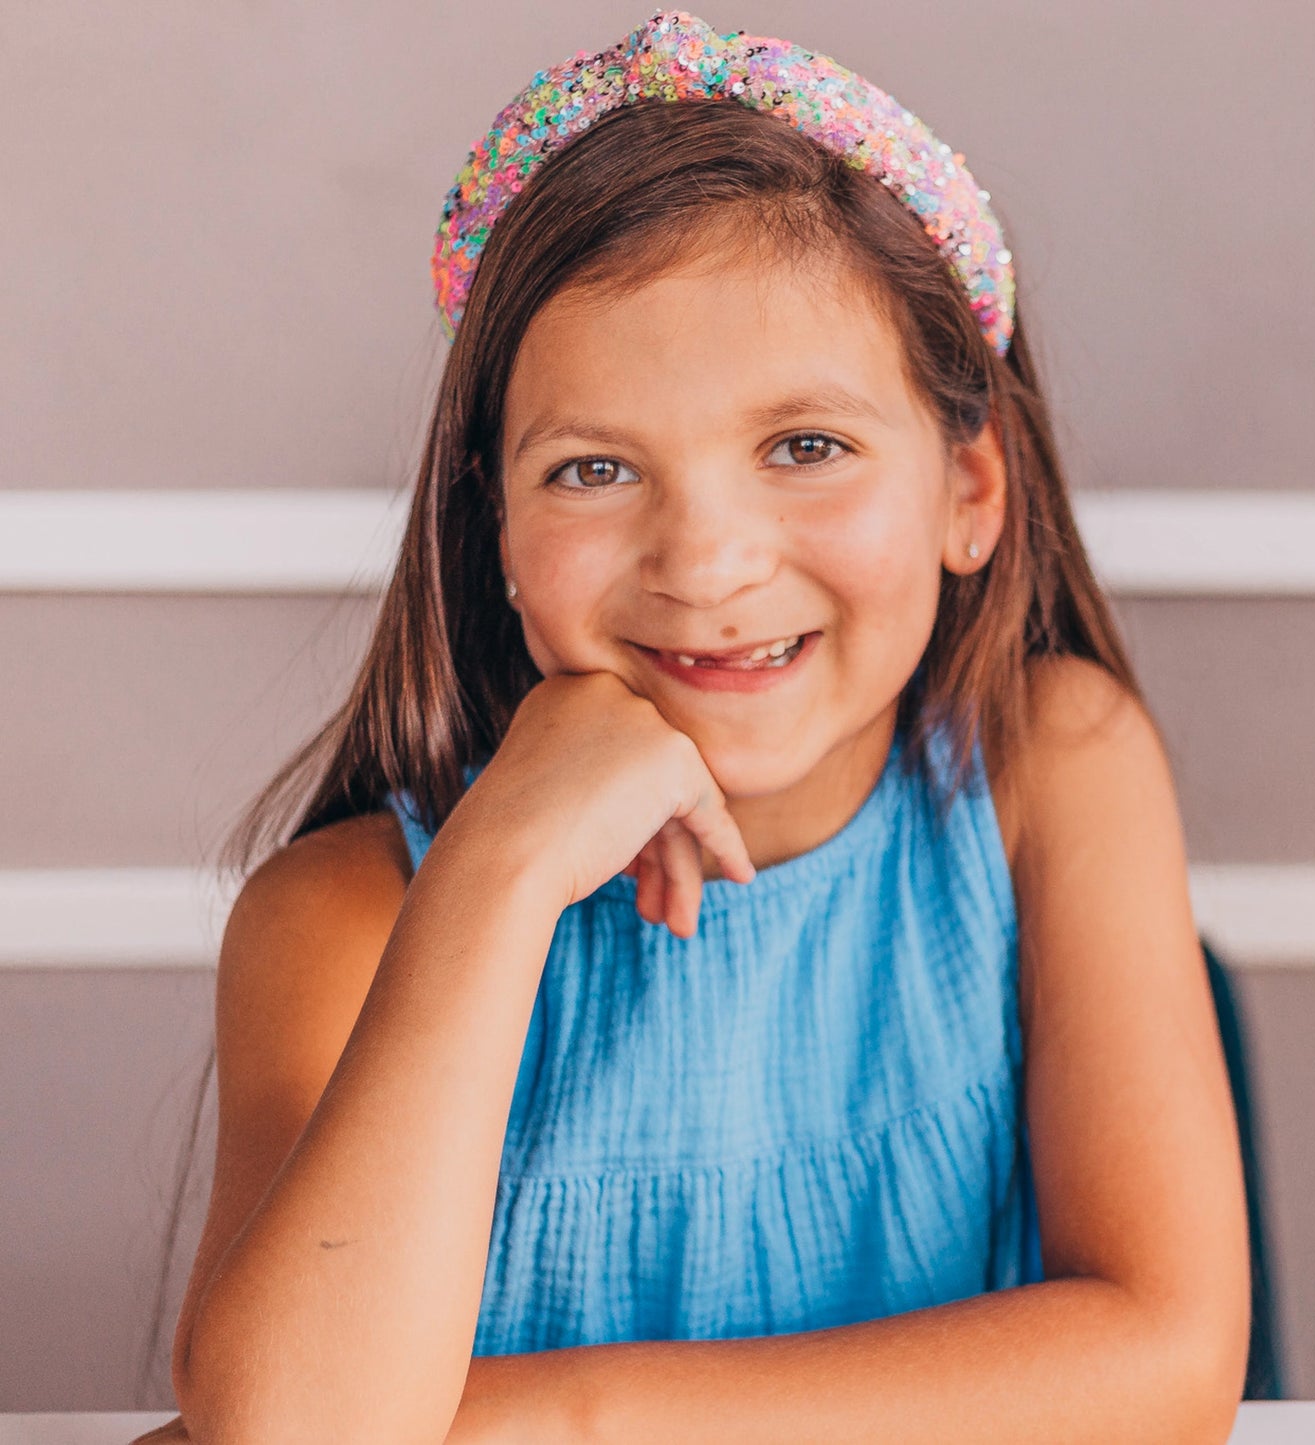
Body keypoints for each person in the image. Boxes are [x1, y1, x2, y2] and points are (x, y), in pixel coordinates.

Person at [148, 11, 1250, 1443]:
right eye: (594, 467)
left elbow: (1163, 1364)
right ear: (494, 529)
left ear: (970, 486)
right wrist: (501, 864)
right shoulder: (344, 915)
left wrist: (562, 1420)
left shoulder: (1050, 765)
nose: (707, 564)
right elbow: (294, 1431)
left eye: (805, 446)